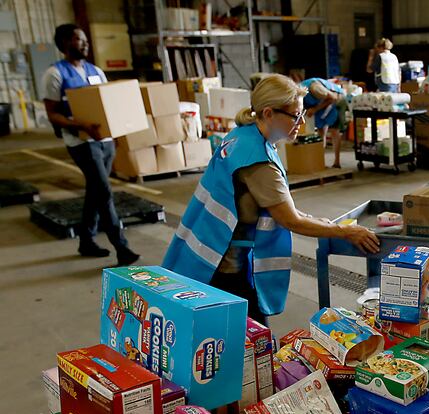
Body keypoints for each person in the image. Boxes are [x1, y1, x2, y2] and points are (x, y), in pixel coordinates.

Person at [162, 74, 380, 323]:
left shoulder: (241, 135)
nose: (302, 122)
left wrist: (318, 221)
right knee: (253, 343)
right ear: (268, 113)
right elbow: (291, 221)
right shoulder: (258, 162)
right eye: (295, 115)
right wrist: (346, 232)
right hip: (227, 265)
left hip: (207, 248)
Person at [43, 24, 139, 265]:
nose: (85, 44)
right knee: (104, 191)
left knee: (95, 190)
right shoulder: (55, 74)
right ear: (65, 43)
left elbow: (108, 104)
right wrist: (82, 126)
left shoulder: (95, 71)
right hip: (80, 143)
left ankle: (86, 240)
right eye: (78, 39)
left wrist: (116, 134)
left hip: (104, 141)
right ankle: (122, 247)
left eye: (85, 40)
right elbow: (52, 114)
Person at [300, 78, 348, 168]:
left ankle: (337, 162)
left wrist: (315, 109)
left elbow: (333, 98)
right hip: (322, 102)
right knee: (320, 131)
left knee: (334, 130)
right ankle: (320, 161)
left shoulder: (314, 88)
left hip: (337, 100)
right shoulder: (299, 96)